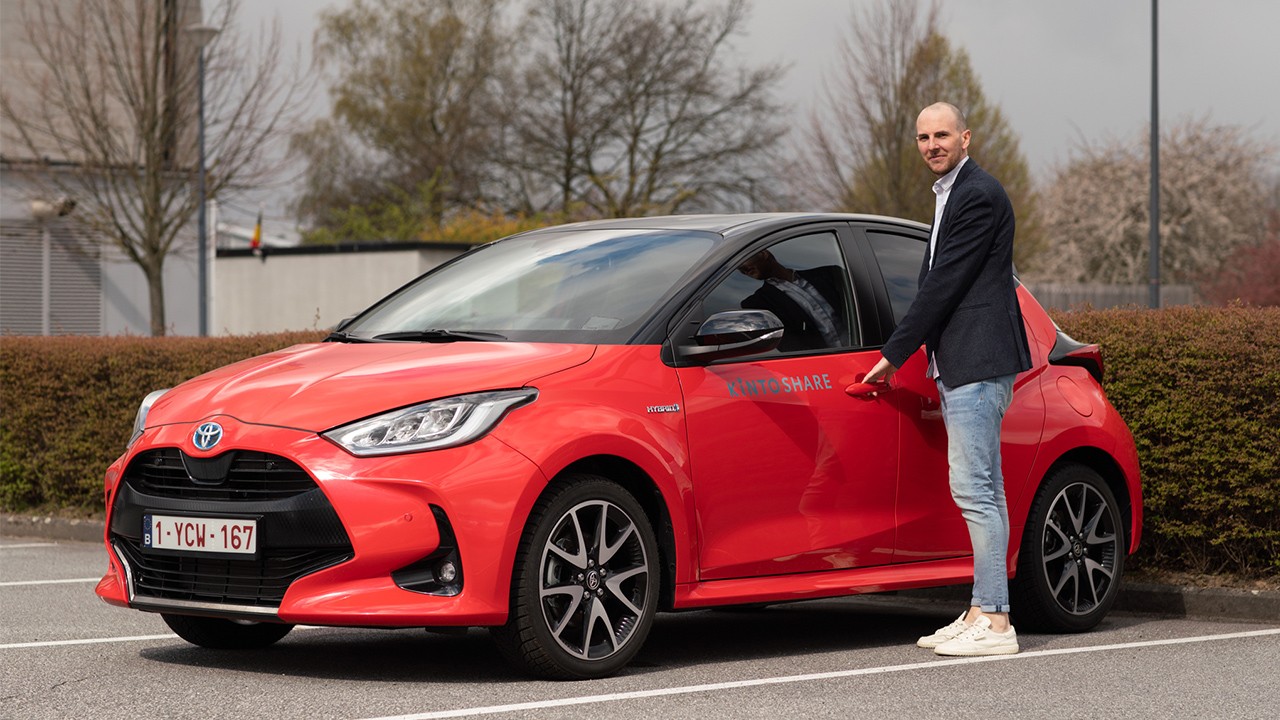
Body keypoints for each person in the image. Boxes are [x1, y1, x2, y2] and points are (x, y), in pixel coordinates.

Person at [862, 101, 1032, 656]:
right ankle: (983, 607)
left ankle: (998, 624)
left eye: (942, 135)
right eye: (923, 137)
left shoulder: (977, 194)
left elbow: (943, 284)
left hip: (977, 361)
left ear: (966, 137)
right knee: (989, 491)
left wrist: (893, 353)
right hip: (968, 360)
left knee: (974, 491)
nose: (932, 144)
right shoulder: (950, 194)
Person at [738, 249, 845, 352]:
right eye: (738, 268)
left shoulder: (830, 273)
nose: (742, 270)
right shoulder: (757, 304)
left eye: (742, 259)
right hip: (826, 365)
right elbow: (790, 346)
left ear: (763, 254)